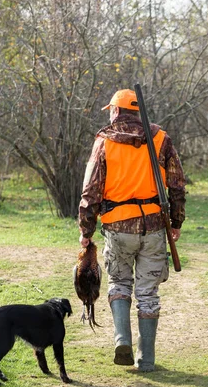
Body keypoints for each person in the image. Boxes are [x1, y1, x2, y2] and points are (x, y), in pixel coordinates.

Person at [78, 88, 186, 372]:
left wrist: (86, 229)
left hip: (117, 227)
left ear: (115, 111)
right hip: (153, 226)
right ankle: (146, 360)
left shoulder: (103, 141)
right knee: (148, 294)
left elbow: (90, 191)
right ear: (136, 112)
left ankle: (121, 340)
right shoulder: (160, 139)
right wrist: (176, 222)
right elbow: (177, 184)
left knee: (119, 284)